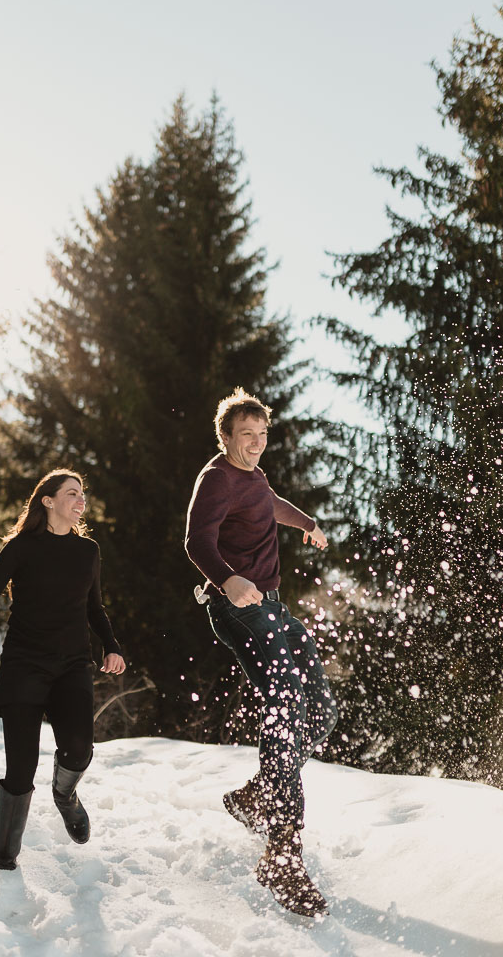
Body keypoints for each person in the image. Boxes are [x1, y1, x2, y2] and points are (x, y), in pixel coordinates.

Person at [185, 388, 337, 917]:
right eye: (245, 435)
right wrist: (227, 580)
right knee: (287, 700)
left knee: (320, 711)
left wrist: (308, 524)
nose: (255, 444)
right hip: (238, 606)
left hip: (272, 606)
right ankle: (282, 852)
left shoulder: (252, 477)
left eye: (261, 435)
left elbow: (268, 505)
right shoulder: (216, 478)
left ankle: (256, 796)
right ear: (225, 437)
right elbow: (196, 541)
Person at [0, 468, 125, 872]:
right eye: (72, 493)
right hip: (25, 663)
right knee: (20, 768)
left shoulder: (88, 551)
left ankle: (65, 797)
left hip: (73, 665)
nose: (81, 501)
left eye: (83, 494)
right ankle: (5, 858)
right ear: (47, 500)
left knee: (78, 750)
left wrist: (111, 646)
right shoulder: (21, 547)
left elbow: (94, 608)